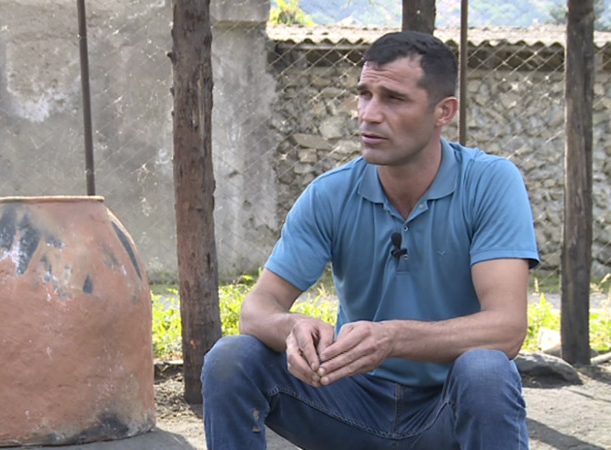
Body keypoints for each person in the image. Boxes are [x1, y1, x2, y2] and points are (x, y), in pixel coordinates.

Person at [201, 31, 539, 450]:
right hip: (348, 405)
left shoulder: (490, 182)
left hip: (445, 411)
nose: (369, 114)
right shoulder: (330, 193)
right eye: (364, 95)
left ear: (444, 111)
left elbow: (507, 328)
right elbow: (256, 309)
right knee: (231, 358)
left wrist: (392, 338)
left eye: (393, 99)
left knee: (486, 370)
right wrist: (293, 327)